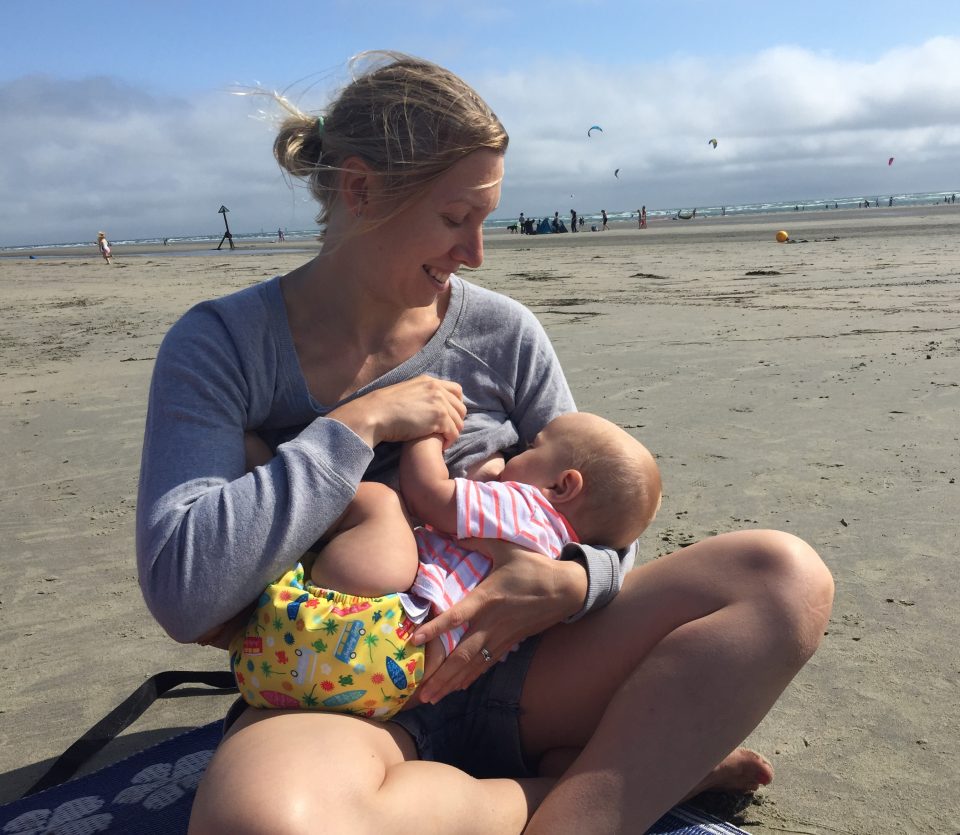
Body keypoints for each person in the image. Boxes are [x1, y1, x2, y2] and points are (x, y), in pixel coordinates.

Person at [135, 52, 834, 834]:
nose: (475, 253)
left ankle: (584, 805)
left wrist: (575, 583)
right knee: (257, 822)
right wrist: (352, 429)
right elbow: (183, 587)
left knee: (782, 577)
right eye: (454, 218)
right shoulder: (222, 345)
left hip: (531, 667)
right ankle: (597, 784)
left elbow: (603, 511)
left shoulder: (502, 332)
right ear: (361, 190)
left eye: (486, 220)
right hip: (345, 697)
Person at [232, 412, 662, 719]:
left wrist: (426, 434)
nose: (515, 455)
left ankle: (273, 480)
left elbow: (428, 493)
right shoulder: (555, 550)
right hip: (404, 683)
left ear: (562, 485)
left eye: (532, 448)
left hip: (368, 623)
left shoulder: (524, 507)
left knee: (382, 503)